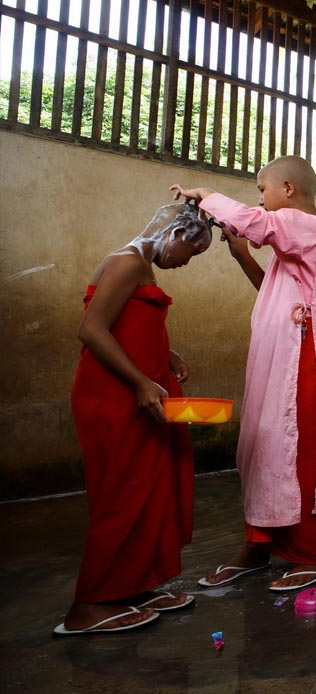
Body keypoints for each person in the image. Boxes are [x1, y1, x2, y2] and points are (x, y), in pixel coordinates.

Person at [171, 155, 316, 593]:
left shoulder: (311, 228)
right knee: (263, 447)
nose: (259, 199)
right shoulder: (295, 243)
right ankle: (260, 543)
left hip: (302, 359)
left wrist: (208, 196)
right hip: (279, 358)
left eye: (261, 188)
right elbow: (273, 290)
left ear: (287, 189)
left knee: (298, 450)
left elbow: (256, 222)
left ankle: (315, 554)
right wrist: (242, 257)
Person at [55, 202, 214, 636]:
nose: (185, 264)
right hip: (113, 398)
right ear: (177, 236)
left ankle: (131, 586)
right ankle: (87, 606)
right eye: (191, 254)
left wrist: (166, 353)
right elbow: (91, 329)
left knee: (146, 490)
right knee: (122, 496)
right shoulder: (129, 263)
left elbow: (125, 324)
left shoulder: (135, 261)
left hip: (129, 396)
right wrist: (143, 382)